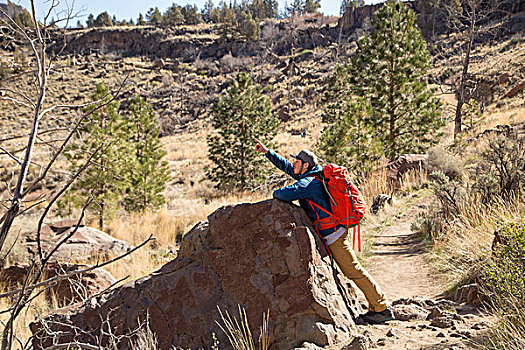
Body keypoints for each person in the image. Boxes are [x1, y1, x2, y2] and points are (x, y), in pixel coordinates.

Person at [254, 138, 394, 325]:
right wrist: (267, 152)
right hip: (333, 233)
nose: (293, 164)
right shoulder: (312, 176)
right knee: (351, 270)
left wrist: (278, 192)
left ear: (305, 165)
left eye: (297, 161)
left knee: (353, 270)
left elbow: (282, 194)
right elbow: (289, 168)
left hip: (334, 236)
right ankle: (378, 305)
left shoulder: (309, 183)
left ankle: (381, 308)